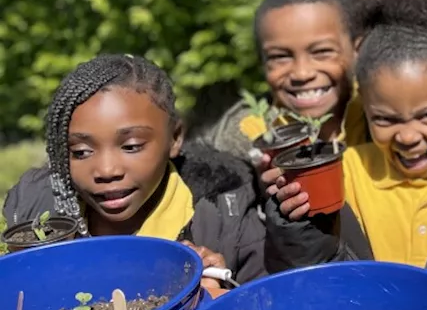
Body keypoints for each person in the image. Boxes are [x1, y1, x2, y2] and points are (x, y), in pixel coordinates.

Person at [4, 55, 265, 288]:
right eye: (81, 152)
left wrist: (218, 297)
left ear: (174, 138)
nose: (107, 170)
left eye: (131, 146)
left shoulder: (226, 223)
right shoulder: (33, 211)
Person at [261, 24, 427, 268]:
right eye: (385, 119)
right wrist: (291, 206)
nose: (407, 137)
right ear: (364, 108)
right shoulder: (344, 173)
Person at [200, 0, 365, 157]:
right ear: (262, 63)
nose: (302, 73)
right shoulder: (244, 137)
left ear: (358, 50)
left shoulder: (382, 114)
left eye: (321, 52)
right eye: (280, 57)